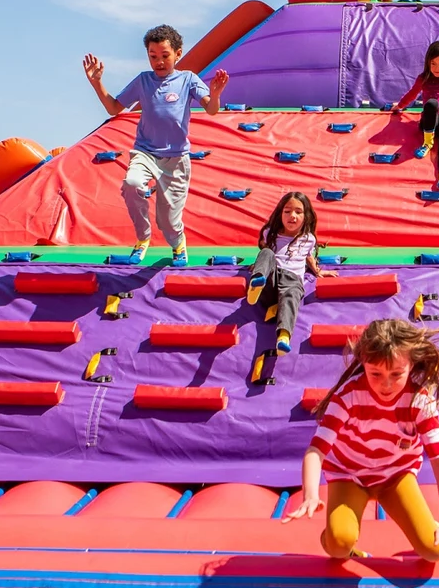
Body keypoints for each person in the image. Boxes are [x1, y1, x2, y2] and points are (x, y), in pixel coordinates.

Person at [282, 319, 439, 562]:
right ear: (363, 362)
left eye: (397, 374)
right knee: (339, 545)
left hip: (395, 476)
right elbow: (315, 451)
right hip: (349, 475)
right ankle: (332, 538)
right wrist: (310, 493)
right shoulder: (348, 396)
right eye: (376, 374)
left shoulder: (419, 401)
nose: (386, 384)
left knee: (435, 551)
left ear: (411, 365)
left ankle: (421, 534)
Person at [83, 24, 229, 264]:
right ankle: (143, 238)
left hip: (176, 159)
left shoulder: (187, 79)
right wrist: (97, 83)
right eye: (153, 57)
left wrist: (215, 95)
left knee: (168, 219)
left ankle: (178, 243)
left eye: (165, 56)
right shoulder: (143, 81)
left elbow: (212, 110)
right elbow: (114, 108)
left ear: (178, 54)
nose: (159, 62)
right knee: (131, 184)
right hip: (145, 152)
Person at [246, 191, 337, 356]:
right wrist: (260, 266)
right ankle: (256, 284)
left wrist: (318, 271)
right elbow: (265, 255)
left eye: (298, 212)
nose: (292, 216)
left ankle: (284, 336)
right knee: (266, 253)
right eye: (287, 211)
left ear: (306, 216)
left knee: (292, 295)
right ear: (280, 214)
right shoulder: (270, 233)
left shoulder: (309, 239)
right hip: (270, 282)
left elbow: (308, 256)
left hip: (292, 281)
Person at [392, 41, 439, 191]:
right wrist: (399, 106)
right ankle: (427, 143)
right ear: (428, 62)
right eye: (433, 63)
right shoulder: (424, 77)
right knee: (432, 104)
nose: (437, 68)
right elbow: (412, 94)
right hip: (428, 121)